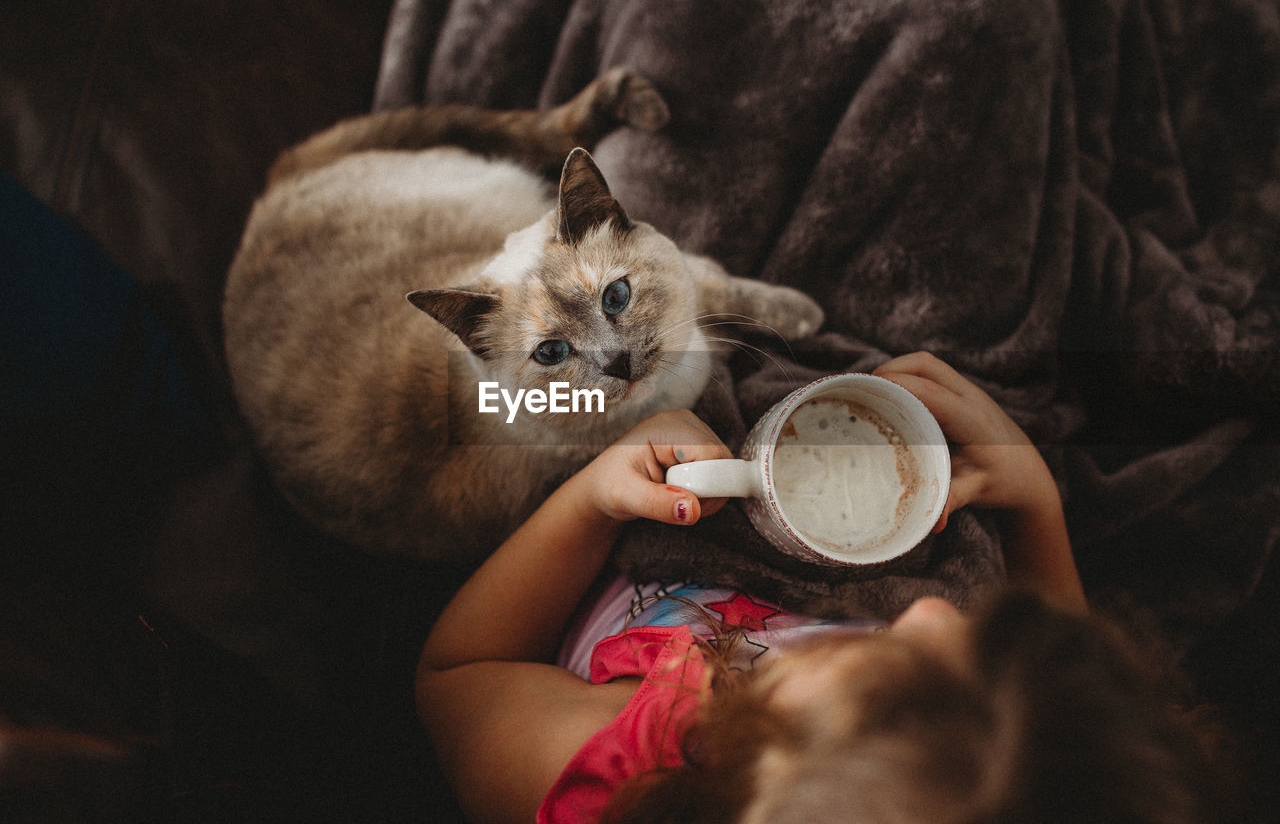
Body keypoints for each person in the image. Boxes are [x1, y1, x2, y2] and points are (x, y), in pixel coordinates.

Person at [416, 352, 1223, 824]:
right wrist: (1039, 507)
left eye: (904, 667)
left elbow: (457, 672)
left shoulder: (632, 764)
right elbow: (1061, 719)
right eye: (983, 642)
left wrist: (589, 499)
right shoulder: (1036, 770)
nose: (935, 611)